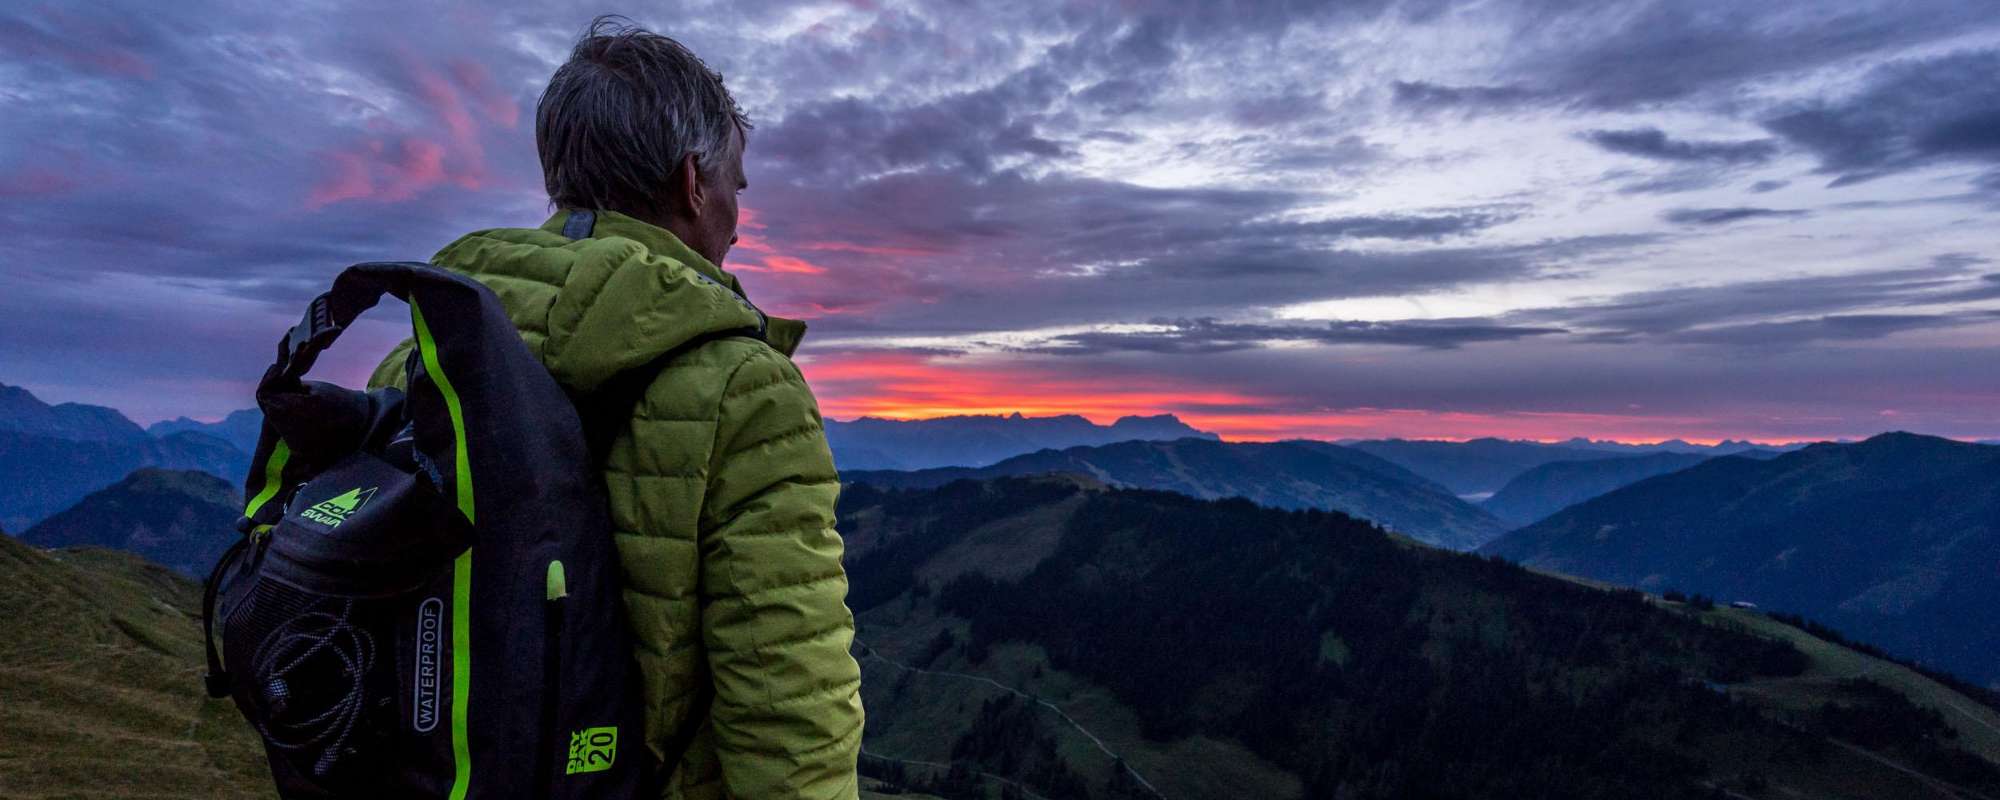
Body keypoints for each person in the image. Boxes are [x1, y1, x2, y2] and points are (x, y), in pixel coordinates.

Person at [366, 16, 863, 800]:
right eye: (736, 182)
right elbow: (788, 701)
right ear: (692, 181)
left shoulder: (422, 357)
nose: (738, 206)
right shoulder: (745, 386)